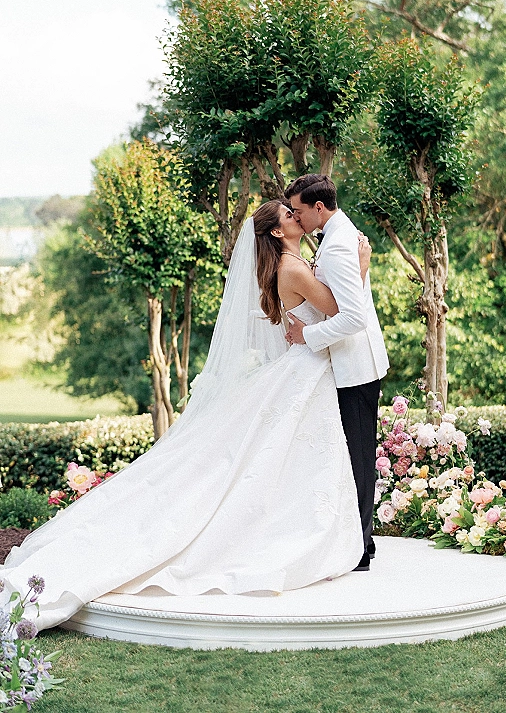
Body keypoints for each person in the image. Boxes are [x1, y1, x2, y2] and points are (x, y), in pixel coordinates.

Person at [0, 200, 371, 631]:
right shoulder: (293, 267)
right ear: (275, 232)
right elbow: (339, 309)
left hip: (299, 366)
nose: (296, 217)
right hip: (304, 370)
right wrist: (359, 268)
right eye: (289, 215)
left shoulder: (285, 265)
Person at [285, 175, 389, 571]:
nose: (296, 215)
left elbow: (353, 318)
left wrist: (307, 335)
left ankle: (361, 550)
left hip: (355, 367)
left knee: (359, 459)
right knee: (353, 455)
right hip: (351, 364)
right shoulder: (338, 236)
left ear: (319, 208)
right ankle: (364, 542)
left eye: (298, 210)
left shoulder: (337, 245)